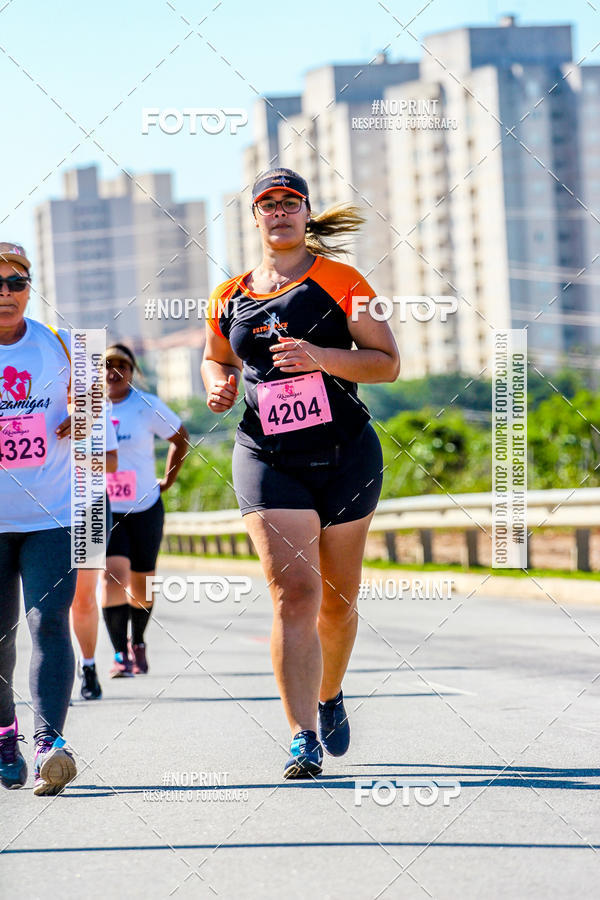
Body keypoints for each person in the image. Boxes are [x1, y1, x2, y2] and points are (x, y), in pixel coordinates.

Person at [201, 169, 400, 778]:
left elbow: (387, 363)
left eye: (290, 202)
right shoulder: (228, 295)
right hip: (267, 457)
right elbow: (213, 356)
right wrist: (219, 385)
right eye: (268, 204)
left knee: (336, 605)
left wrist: (320, 358)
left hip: (345, 457)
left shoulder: (345, 282)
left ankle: (329, 693)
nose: (279, 212)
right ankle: (302, 737)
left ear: (306, 213)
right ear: (255, 218)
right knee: (295, 595)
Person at [0, 243, 78, 795]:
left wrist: (84, 418)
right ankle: (6, 734)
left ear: (30, 286)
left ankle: (50, 743)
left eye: (16, 281)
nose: (5, 292)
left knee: (49, 621)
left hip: (52, 513)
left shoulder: (58, 343)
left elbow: (96, 405)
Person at [102, 344, 189, 677]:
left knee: (142, 583)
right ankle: (119, 655)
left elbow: (180, 438)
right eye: (107, 364)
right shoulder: (87, 409)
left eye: (122, 365)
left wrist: (167, 480)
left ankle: (137, 640)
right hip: (106, 509)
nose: (113, 371)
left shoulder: (146, 406)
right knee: (112, 577)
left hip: (145, 506)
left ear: (132, 371)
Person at [70, 411, 118, 700]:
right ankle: (58, 673)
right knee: (52, 606)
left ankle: (87, 665)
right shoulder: (23, 406)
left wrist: (75, 457)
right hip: (44, 513)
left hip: (90, 510)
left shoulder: (95, 412)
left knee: (83, 598)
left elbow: (112, 462)